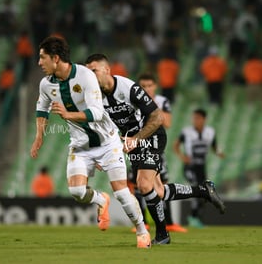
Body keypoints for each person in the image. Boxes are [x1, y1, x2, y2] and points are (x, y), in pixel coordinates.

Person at [85, 54, 225, 244]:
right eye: (88, 72)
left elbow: (158, 117)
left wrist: (136, 138)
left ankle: (162, 235)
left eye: (94, 70)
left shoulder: (127, 88)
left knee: (143, 185)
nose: (90, 76)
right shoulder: (96, 97)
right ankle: (203, 190)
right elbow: (103, 127)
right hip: (133, 142)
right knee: (157, 191)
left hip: (151, 136)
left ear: (107, 70)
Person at [30, 36, 151, 248]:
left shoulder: (85, 76)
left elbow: (96, 112)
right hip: (80, 146)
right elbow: (42, 108)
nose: (39, 62)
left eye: (42, 58)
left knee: (122, 193)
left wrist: (68, 115)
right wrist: (39, 136)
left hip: (107, 142)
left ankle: (142, 231)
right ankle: (101, 200)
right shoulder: (46, 84)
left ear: (56, 58)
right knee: (77, 192)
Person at [139, 73, 187, 233]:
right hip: (138, 145)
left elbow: (167, 123)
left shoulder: (162, 101)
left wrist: (151, 106)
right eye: (143, 86)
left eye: (149, 85)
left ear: (155, 86)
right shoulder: (134, 101)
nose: (146, 89)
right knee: (137, 184)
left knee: (162, 184)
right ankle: (143, 223)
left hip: (156, 146)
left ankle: (169, 223)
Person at [174, 108, 225, 228]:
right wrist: (182, 157)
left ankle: (196, 218)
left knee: (204, 191)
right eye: (194, 118)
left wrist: (219, 152)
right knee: (197, 187)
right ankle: (193, 217)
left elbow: (214, 146)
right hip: (190, 167)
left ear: (204, 119)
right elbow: (175, 145)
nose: (195, 120)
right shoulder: (186, 132)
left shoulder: (210, 132)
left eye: (197, 118)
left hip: (202, 168)